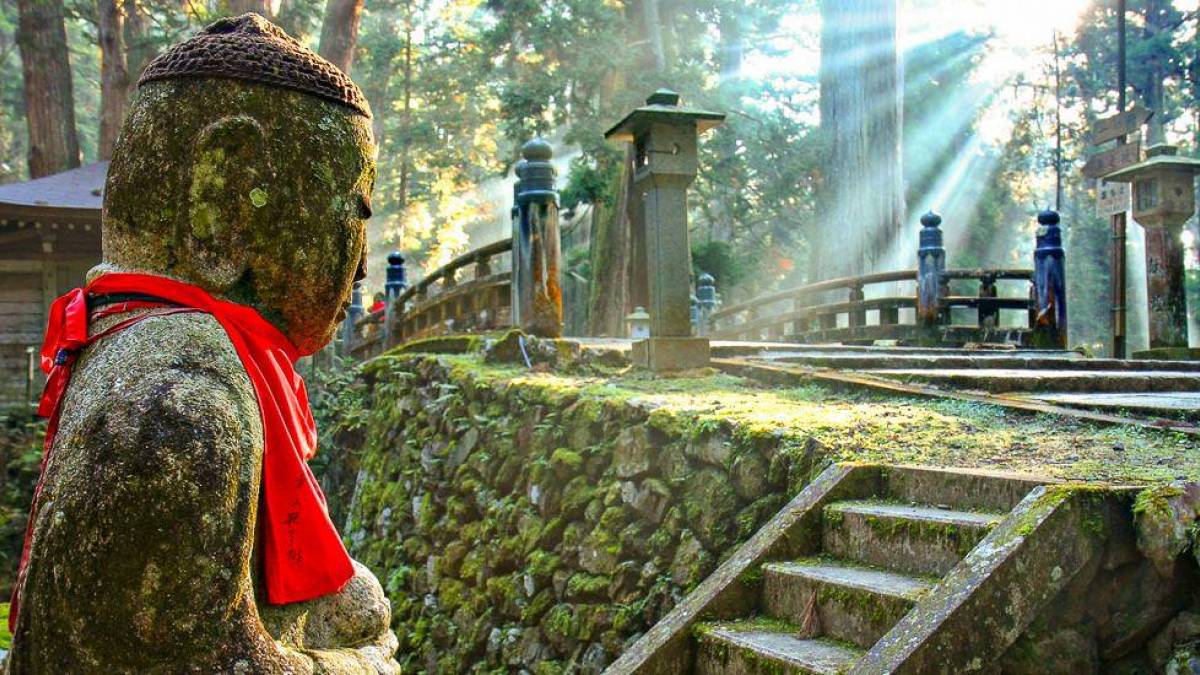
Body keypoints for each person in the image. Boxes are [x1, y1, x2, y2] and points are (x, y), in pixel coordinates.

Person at [6, 15, 398, 674]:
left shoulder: (167, 347)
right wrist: (361, 666)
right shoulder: (181, 405)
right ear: (228, 196)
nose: (360, 264)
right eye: (354, 212)